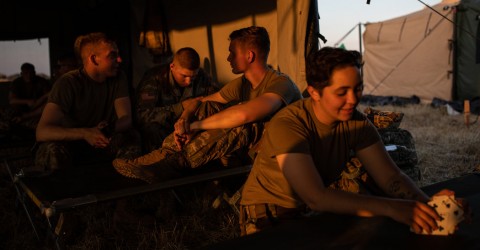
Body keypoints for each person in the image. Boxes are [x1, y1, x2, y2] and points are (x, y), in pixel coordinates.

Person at [238, 47, 470, 236]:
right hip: (268, 212)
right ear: (314, 92)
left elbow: (391, 178)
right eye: (342, 92)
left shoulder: (356, 123)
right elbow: (315, 196)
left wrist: (428, 206)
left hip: (308, 209)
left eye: (358, 89)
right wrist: (392, 207)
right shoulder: (288, 125)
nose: (353, 99)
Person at [112, 26, 302, 184]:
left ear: (249, 56)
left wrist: (196, 126)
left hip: (280, 151)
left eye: (232, 53)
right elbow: (201, 102)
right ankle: (158, 158)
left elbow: (245, 115)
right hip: (247, 148)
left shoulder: (280, 83)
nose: (228, 58)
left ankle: (174, 165)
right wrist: (185, 120)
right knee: (208, 107)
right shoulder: (243, 83)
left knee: (240, 123)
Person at [35, 32, 141, 171]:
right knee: (52, 151)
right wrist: (86, 133)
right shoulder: (68, 83)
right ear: (94, 59)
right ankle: (66, 190)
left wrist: (107, 128)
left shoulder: (118, 77)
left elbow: (126, 119)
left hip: (102, 139)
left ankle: (121, 184)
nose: (119, 60)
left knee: (132, 137)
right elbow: (42, 131)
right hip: (73, 143)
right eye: (113, 55)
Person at [135, 47, 218, 152]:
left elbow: (216, 99)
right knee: (151, 128)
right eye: (184, 76)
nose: (188, 81)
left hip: (190, 127)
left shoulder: (201, 76)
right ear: (172, 66)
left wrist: (192, 109)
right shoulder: (154, 78)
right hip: (163, 131)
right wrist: (181, 107)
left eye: (192, 77)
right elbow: (142, 116)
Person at [0, 62, 51, 136]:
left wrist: (38, 101)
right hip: (21, 109)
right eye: (26, 73)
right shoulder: (17, 82)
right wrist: (28, 101)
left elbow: (49, 96)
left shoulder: (42, 81)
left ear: (34, 73)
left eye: (31, 73)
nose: (29, 76)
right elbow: (12, 100)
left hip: (38, 110)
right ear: (21, 73)